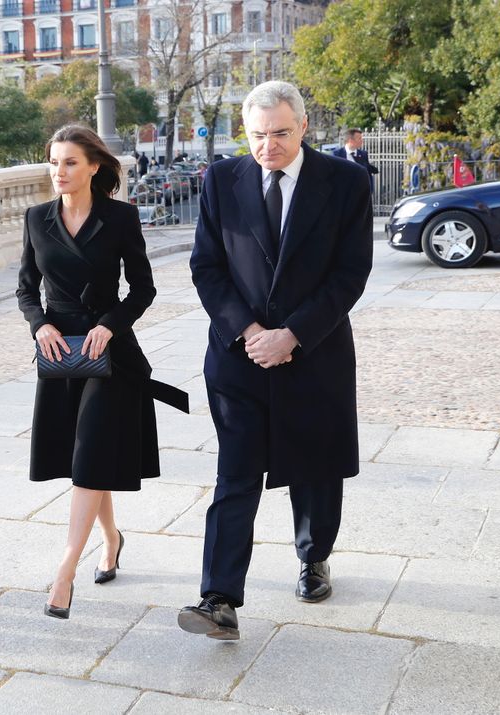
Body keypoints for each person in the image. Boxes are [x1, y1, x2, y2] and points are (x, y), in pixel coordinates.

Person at [179, 81, 372, 640]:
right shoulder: (221, 179)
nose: (268, 146)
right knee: (235, 474)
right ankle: (218, 598)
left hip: (316, 351)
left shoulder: (345, 182)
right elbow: (206, 267)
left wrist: (293, 334)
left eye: (281, 133)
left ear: (305, 127)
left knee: (316, 466)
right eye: (258, 135)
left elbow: (350, 274)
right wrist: (250, 331)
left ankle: (313, 558)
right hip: (239, 357)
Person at [18, 124, 163, 620]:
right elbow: (24, 290)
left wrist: (109, 325)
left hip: (110, 356)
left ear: (94, 166)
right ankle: (111, 538)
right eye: (54, 162)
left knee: (91, 452)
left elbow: (143, 290)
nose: (59, 171)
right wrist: (40, 327)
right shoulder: (36, 218)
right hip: (60, 357)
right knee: (87, 461)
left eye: (70, 162)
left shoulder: (121, 218)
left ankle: (65, 570)